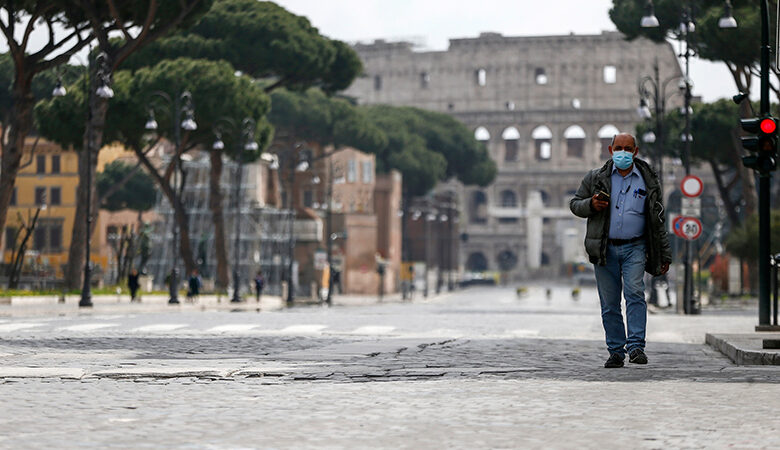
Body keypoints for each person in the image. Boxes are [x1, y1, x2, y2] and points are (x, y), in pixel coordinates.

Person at [569, 133, 671, 368]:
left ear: (635, 152)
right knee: (609, 302)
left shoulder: (648, 180)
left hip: (636, 245)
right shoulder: (595, 178)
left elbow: (658, 220)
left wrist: (664, 254)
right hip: (604, 247)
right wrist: (591, 205)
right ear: (610, 149)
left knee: (635, 292)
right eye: (618, 148)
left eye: (627, 148)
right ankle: (616, 351)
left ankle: (636, 347)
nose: (622, 152)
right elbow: (575, 204)